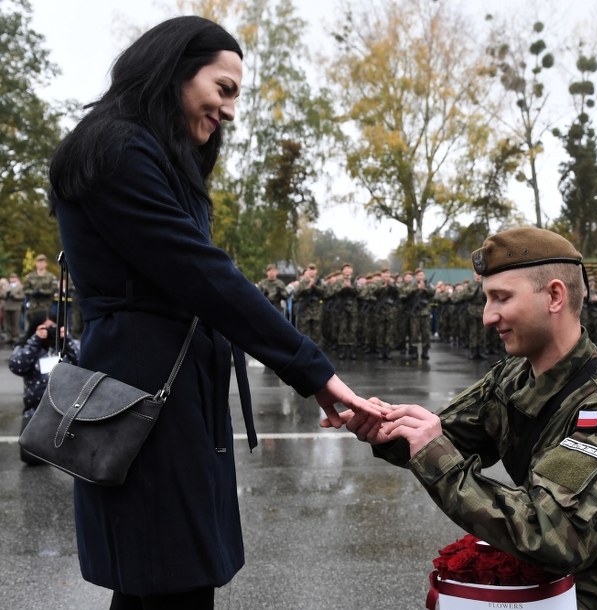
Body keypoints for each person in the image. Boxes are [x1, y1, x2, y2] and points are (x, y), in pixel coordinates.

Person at [47, 16, 377, 609]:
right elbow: (203, 274)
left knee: (166, 581)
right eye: (223, 89)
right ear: (174, 70)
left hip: (166, 386)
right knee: (168, 581)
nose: (229, 110)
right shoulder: (117, 148)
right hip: (142, 394)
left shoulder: (150, 150)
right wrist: (313, 371)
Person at [331, 227, 597, 609]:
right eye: (486, 299)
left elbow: (552, 533)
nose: (487, 317)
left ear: (554, 296)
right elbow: (446, 437)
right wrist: (388, 427)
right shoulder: (513, 377)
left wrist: (434, 453)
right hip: (543, 595)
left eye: (502, 298)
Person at [9, 313, 80, 465]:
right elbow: (17, 366)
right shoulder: (28, 346)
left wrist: (67, 339)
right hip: (35, 410)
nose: (49, 331)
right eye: (45, 328)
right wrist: (35, 341)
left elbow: (84, 361)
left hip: (67, 410)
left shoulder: (66, 347)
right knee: (29, 457)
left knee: (74, 457)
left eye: (53, 327)